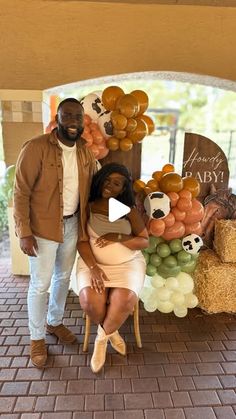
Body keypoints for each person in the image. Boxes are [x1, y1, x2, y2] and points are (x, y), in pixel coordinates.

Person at [13, 98, 97, 368]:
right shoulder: (36, 148)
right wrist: (24, 232)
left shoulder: (85, 152)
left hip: (73, 224)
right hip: (42, 228)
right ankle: (36, 338)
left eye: (78, 117)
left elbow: (95, 188)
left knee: (63, 277)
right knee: (40, 283)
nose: (73, 122)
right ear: (58, 118)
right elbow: (21, 192)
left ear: (83, 121)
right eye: (67, 116)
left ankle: (54, 322)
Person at [76, 163, 149, 373]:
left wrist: (117, 237)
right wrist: (94, 268)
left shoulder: (128, 209)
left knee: (125, 299)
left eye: (116, 183)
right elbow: (82, 242)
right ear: (100, 180)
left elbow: (144, 241)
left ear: (123, 188)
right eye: (107, 180)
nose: (109, 185)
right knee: (90, 301)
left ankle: (100, 341)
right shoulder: (88, 206)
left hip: (127, 265)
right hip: (93, 265)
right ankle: (112, 333)